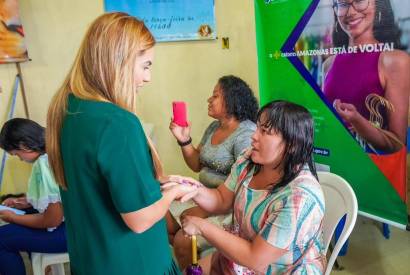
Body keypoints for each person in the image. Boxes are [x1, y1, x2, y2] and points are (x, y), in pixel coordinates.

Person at [46, 12, 195, 275]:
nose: (147, 78)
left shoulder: (68, 110)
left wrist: (154, 184)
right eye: (146, 66)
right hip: (133, 263)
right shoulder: (118, 123)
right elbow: (140, 219)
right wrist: (173, 193)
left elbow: (100, 182)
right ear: (119, 62)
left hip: (92, 260)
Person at [165, 100, 326, 274]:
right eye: (258, 128)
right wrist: (194, 189)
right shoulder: (249, 160)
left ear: (292, 145)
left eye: (265, 132)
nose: (254, 136)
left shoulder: (299, 197)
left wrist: (202, 227)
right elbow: (221, 199)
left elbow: (255, 259)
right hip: (240, 261)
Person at [168, 75, 258, 268]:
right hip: (203, 197)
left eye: (215, 96)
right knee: (163, 220)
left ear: (232, 100)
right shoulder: (214, 127)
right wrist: (183, 140)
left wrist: (202, 209)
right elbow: (196, 164)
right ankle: (194, 259)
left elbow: (241, 189)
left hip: (227, 205)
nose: (209, 100)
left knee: (181, 240)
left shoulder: (245, 134)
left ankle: (193, 257)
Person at [323, 0, 410, 200]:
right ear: (335, 11)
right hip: (333, 169)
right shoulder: (329, 64)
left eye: (360, 1)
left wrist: (357, 121)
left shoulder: (395, 60)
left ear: (377, 6)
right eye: (343, 4)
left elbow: (396, 144)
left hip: (370, 175)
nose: (351, 12)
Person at [0, 118, 66, 275]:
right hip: (81, 224)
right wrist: (25, 202)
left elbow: (52, 219)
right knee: (25, 218)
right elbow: (58, 199)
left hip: (73, 234)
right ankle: (47, 270)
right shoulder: (56, 148)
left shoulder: (45, 164)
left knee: (1, 239)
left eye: (16, 154)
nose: (20, 160)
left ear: (24, 146)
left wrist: (12, 218)